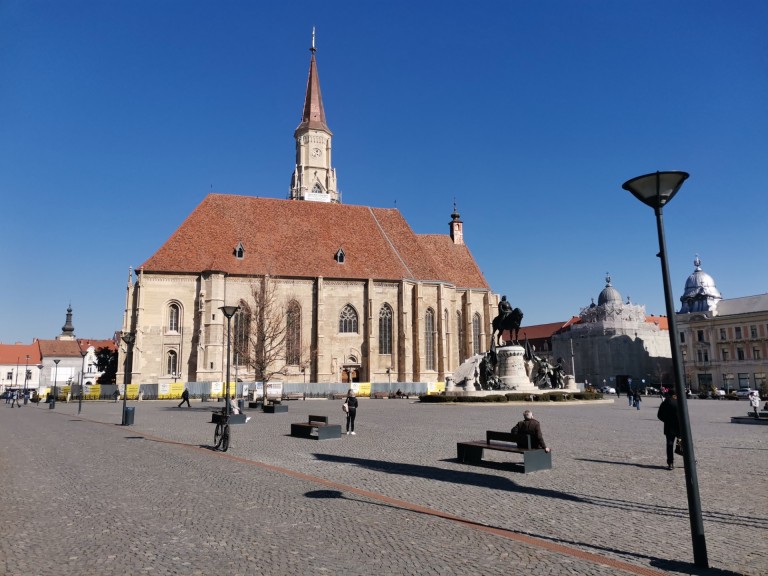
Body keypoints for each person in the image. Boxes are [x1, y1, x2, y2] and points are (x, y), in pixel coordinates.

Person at [657, 391, 680, 470]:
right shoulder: (679, 402)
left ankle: (670, 463)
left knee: (669, 445)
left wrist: (666, 420)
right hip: (680, 427)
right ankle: (689, 461)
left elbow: (659, 415)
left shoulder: (665, 403)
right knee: (682, 444)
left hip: (669, 427)